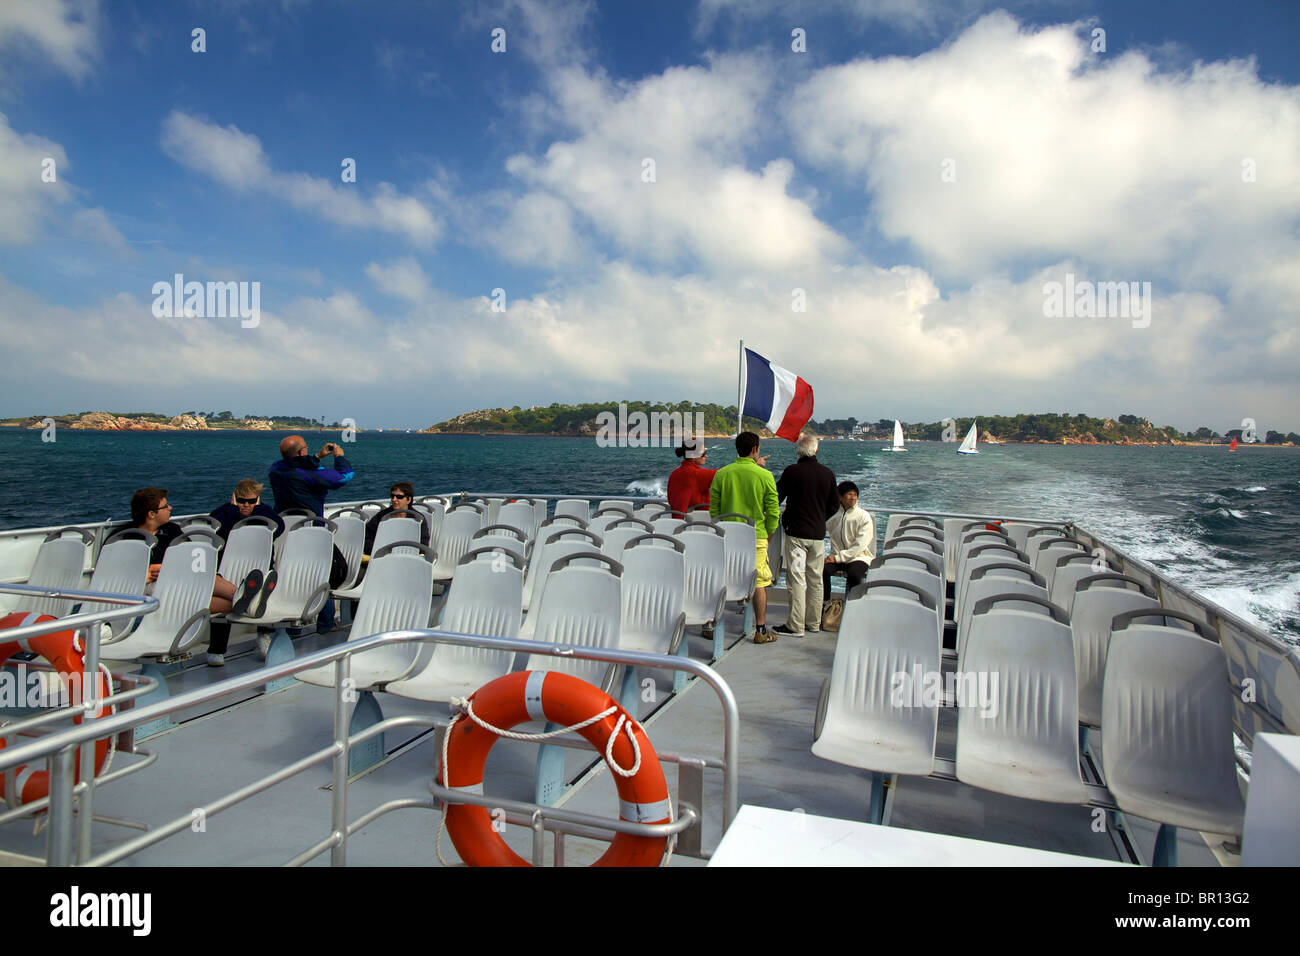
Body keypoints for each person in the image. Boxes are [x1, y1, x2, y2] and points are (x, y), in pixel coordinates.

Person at [111, 488, 249, 666]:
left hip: (181, 580)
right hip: (148, 588)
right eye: (165, 506)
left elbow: (192, 559)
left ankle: (245, 599)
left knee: (205, 577)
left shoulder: (172, 531)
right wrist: (143, 573)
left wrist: (169, 568)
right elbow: (110, 569)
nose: (170, 508)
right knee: (202, 594)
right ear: (152, 513)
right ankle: (248, 599)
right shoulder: (124, 536)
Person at [268, 436, 355, 633]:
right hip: (312, 530)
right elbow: (344, 476)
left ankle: (292, 626)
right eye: (305, 448)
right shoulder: (311, 473)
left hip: (286, 531)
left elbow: (294, 466)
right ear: (301, 452)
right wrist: (339, 457)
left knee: (290, 574)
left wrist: (317, 456)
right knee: (321, 573)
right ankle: (326, 623)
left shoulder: (275, 470)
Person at [709, 431, 780, 643]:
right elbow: (773, 512)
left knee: (721, 580)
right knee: (759, 583)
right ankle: (760, 630)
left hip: (727, 536)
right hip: (756, 537)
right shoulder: (764, 476)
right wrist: (768, 534)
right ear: (755, 449)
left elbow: (715, 510)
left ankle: (711, 625)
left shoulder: (722, 474)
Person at [772, 434, 839, 637]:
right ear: (816, 451)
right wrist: (821, 517)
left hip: (797, 534)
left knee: (797, 579)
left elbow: (777, 496)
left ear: (798, 451)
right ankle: (814, 622)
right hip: (817, 535)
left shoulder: (792, 472)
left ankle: (795, 625)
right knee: (815, 579)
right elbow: (835, 505)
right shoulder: (827, 474)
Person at [823, 480, 875, 597]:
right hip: (837, 556)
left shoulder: (863, 516)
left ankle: (853, 604)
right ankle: (824, 604)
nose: (853, 498)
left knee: (854, 574)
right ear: (840, 497)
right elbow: (820, 527)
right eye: (849, 494)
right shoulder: (834, 515)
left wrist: (837, 558)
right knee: (823, 571)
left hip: (859, 557)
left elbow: (859, 545)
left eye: (855, 495)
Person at [363, 482, 431, 555]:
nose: (394, 499)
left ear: (408, 500)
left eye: (399, 497)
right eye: (392, 496)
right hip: (382, 556)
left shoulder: (418, 519)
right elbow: (368, 537)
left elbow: (423, 543)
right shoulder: (381, 516)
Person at [209, 479, 285, 542]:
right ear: (234, 499)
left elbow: (278, 529)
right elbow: (220, 530)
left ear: (257, 500)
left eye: (251, 501)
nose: (246, 504)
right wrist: (233, 510)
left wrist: (258, 509)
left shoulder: (265, 511)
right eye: (241, 500)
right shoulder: (225, 512)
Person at [666, 437, 716, 515]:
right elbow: (724, 474)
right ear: (692, 455)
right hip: (695, 523)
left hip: (678, 519)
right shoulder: (695, 474)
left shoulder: (675, 473)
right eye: (703, 453)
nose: (706, 456)